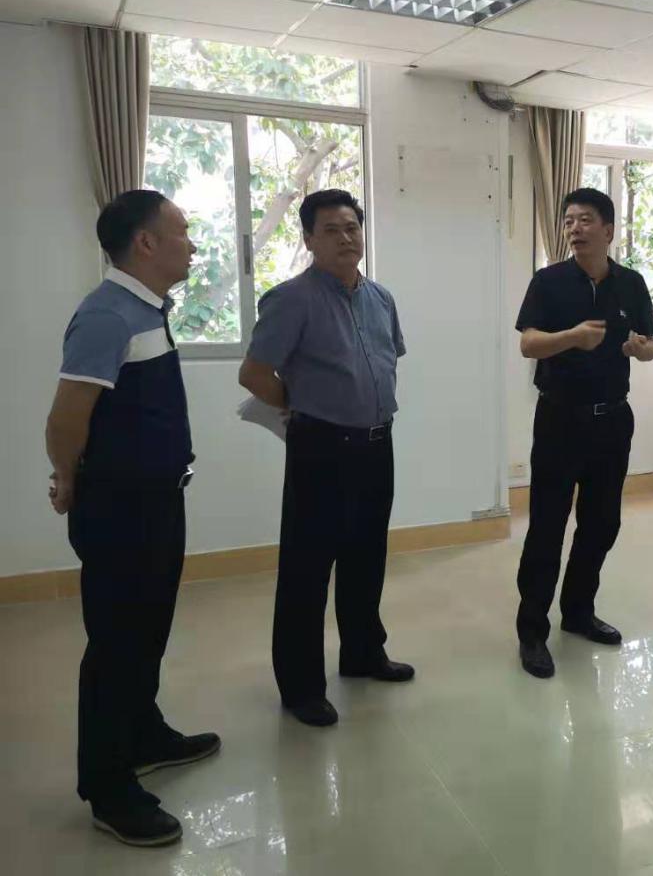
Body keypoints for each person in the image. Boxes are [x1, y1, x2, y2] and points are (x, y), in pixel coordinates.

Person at [45, 190, 220, 846]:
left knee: (147, 631)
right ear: (145, 243)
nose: (192, 244)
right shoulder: (106, 316)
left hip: (157, 501)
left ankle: (143, 734)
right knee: (117, 644)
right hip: (119, 509)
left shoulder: (146, 308)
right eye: (182, 232)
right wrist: (68, 478)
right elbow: (66, 417)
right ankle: (108, 788)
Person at [238, 189, 413, 728]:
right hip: (321, 449)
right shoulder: (291, 299)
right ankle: (300, 687)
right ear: (309, 239)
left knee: (367, 556)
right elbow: (254, 373)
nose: (345, 237)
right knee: (307, 568)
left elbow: (388, 358)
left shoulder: (381, 298)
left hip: (377, 444)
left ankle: (362, 653)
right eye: (331, 229)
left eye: (352, 227)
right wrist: (302, 406)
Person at [514, 187, 653, 679]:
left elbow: (650, 346)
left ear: (608, 230)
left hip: (612, 420)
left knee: (601, 523)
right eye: (569, 221)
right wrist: (572, 338)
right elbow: (529, 345)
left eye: (585, 220)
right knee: (547, 526)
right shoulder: (548, 282)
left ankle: (578, 611)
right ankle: (532, 631)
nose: (574, 229)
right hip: (560, 419)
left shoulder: (631, 283)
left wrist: (640, 349)